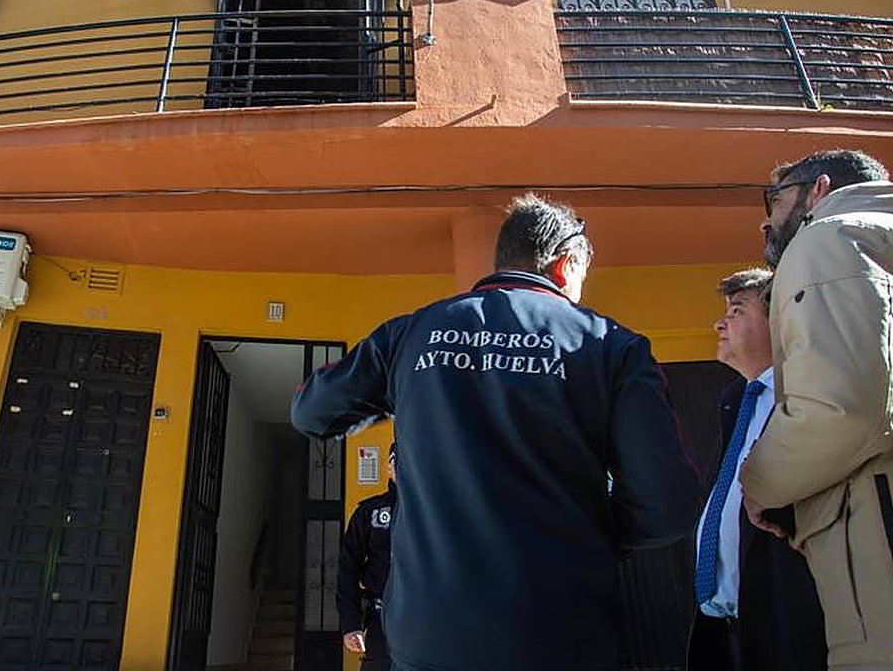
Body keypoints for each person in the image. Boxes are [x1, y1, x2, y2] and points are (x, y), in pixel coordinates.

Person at [292, 194, 699, 671]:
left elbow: (313, 412)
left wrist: (401, 389)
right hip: (560, 633)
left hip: (430, 638)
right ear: (566, 265)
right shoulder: (613, 346)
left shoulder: (412, 333)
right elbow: (667, 504)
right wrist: (590, 534)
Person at [739, 149, 893, 671]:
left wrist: (759, 486)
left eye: (774, 199)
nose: (765, 220)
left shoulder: (828, 239)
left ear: (819, 189)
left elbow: (839, 410)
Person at [687, 268, 826, 671]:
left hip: (787, 623)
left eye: (736, 311)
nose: (720, 324)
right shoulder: (737, 403)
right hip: (725, 628)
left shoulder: (802, 398)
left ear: (779, 322)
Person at [338, 442, 397, 671]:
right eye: (398, 461)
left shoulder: (436, 512)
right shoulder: (370, 512)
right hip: (382, 618)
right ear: (389, 467)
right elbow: (348, 568)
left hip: (428, 620)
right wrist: (351, 623)